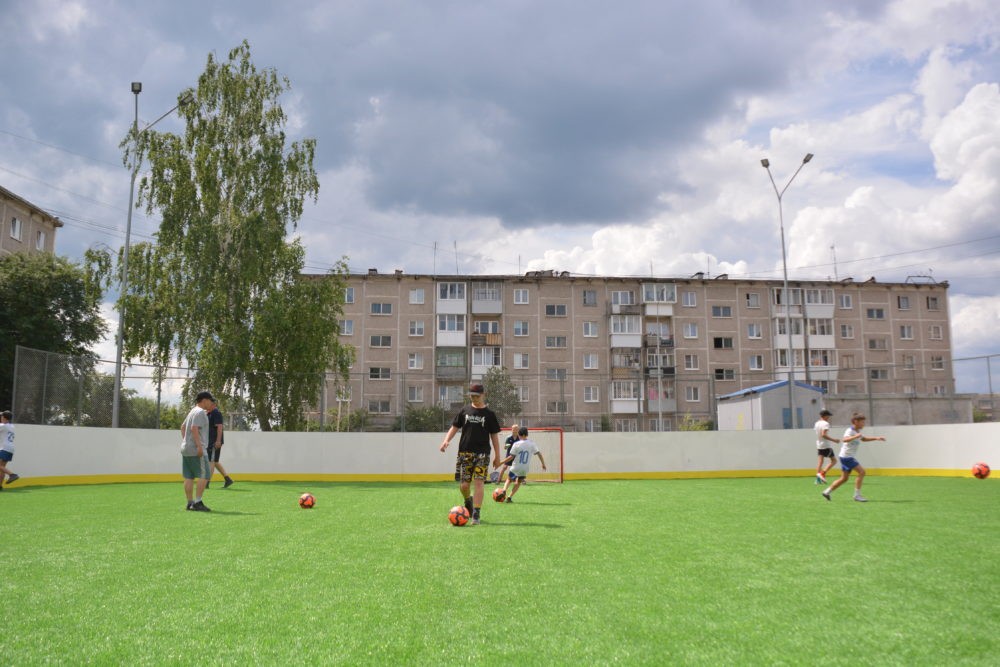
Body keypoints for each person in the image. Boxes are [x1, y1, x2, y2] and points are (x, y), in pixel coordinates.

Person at [439, 382, 501, 525]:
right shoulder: (464, 410)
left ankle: (476, 514)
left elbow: (494, 437)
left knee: (479, 482)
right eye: (472, 396)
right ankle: (468, 500)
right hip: (465, 453)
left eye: (477, 396)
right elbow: (454, 427)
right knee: (465, 486)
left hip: (482, 454)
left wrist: (497, 456)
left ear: (483, 395)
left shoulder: (489, 414)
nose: (474, 399)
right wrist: (446, 440)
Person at [822, 412, 887, 503]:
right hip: (847, 457)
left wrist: (876, 438)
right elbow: (844, 439)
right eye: (862, 422)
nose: (863, 424)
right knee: (862, 472)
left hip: (845, 456)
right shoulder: (850, 430)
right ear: (856, 421)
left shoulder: (857, 431)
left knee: (844, 479)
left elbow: (863, 439)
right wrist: (856, 436)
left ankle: (827, 492)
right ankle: (857, 495)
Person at [180, 391, 215, 512]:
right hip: (196, 449)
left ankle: (190, 503)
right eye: (210, 400)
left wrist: (186, 441)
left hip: (186, 448)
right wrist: (199, 446)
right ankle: (198, 502)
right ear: (204, 400)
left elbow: (183, 427)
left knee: (189, 476)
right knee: (205, 475)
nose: (211, 403)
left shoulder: (192, 411)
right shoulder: (200, 412)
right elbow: (194, 428)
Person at [498, 426, 547, 503]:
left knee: (509, 479)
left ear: (520, 435)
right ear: (526, 434)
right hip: (524, 468)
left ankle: (504, 490)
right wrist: (543, 464)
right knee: (518, 482)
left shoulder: (516, 444)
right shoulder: (532, 444)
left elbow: (511, 457)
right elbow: (539, 454)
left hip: (516, 466)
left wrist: (501, 462)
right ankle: (509, 497)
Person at [206, 399, 234, 489]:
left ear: (213, 404)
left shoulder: (216, 413)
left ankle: (206, 483)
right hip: (210, 441)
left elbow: (220, 427)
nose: (206, 405)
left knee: (211, 461)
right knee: (215, 461)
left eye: (208, 404)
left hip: (215, 442)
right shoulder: (209, 413)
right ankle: (228, 479)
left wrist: (218, 441)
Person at [813, 409, 840, 484]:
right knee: (834, 461)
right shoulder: (825, 423)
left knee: (820, 462)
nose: (829, 417)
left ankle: (817, 479)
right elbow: (824, 434)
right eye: (828, 416)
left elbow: (819, 434)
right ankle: (822, 474)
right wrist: (834, 440)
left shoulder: (817, 423)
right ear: (825, 416)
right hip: (825, 445)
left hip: (819, 444)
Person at [0, 411, 19, 489]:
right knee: (2, 468)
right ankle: (0, 486)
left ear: (4, 418)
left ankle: (12, 475)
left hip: (4, 448)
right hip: (10, 448)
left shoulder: (3, 426)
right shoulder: (11, 426)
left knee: (0, 466)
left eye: (1, 416)